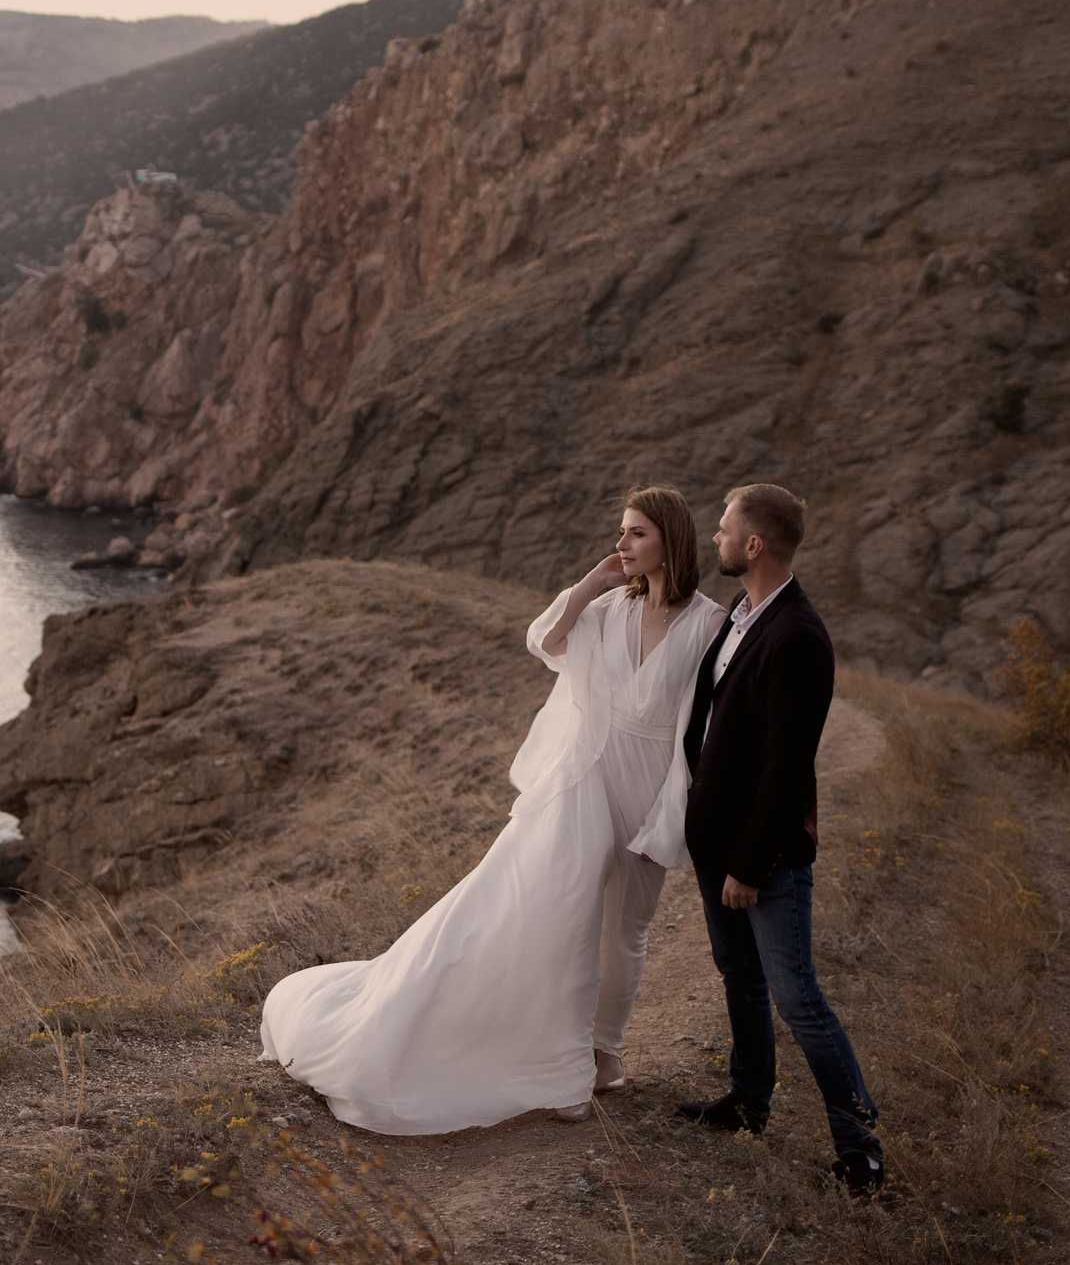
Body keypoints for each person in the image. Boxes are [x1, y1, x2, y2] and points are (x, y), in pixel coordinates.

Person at [257, 485, 725, 1134]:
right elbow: (545, 638)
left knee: (627, 929)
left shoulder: (708, 623)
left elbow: (702, 731)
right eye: (621, 531)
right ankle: (565, 1065)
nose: (621, 543)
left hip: (650, 790)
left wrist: (673, 814)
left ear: (669, 538)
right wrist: (593, 581)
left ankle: (605, 1051)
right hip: (585, 783)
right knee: (564, 917)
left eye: (635, 533)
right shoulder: (610, 604)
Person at [676, 482, 883, 1194]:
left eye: (725, 528)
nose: (716, 537)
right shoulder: (741, 613)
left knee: (799, 999)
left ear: (755, 543)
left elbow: (785, 768)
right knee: (740, 974)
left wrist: (751, 863)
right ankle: (748, 1100)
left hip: (762, 855)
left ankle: (861, 1153)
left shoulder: (797, 634)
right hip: (716, 840)